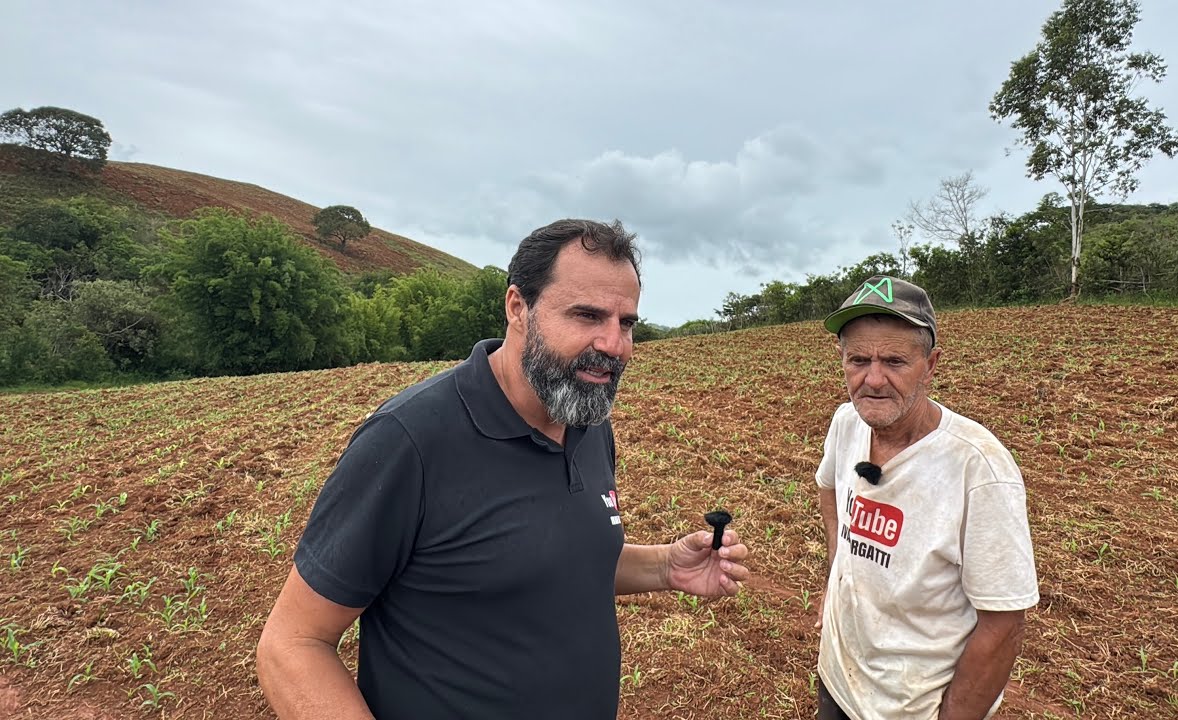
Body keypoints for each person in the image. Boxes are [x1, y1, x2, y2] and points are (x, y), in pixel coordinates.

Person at [256, 219, 750, 720]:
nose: (614, 344)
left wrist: (665, 565)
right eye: (587, 315)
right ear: (518, 307)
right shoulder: (411, 440)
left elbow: (547, 560)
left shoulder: (586, 418)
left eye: (626, 323)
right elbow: (293, 644)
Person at [812, 275, 1038, 720]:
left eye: (894, 361)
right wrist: (835, 574)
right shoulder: (847, 423)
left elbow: (1003, 622)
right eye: (858, 359)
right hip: (838, 679)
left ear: (931, 365)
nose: (872, 379)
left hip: (911, 706)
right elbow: (829, 487)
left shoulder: (978, 468)